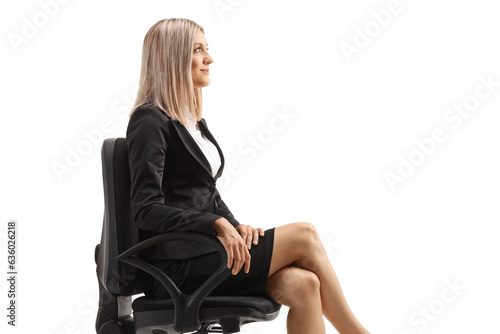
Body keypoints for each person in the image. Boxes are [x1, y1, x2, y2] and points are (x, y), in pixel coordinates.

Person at [126, 18, 370, 334]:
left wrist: (236, 226)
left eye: (207, 49)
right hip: (179, 267)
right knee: (305, 235)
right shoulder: (149, 119)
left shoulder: (190, 122)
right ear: (171, 57)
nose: (209, 59)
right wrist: (214, 224)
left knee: (304, 284)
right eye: (198, 50)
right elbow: (145, 210)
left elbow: (204, 192)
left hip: (206, 254)